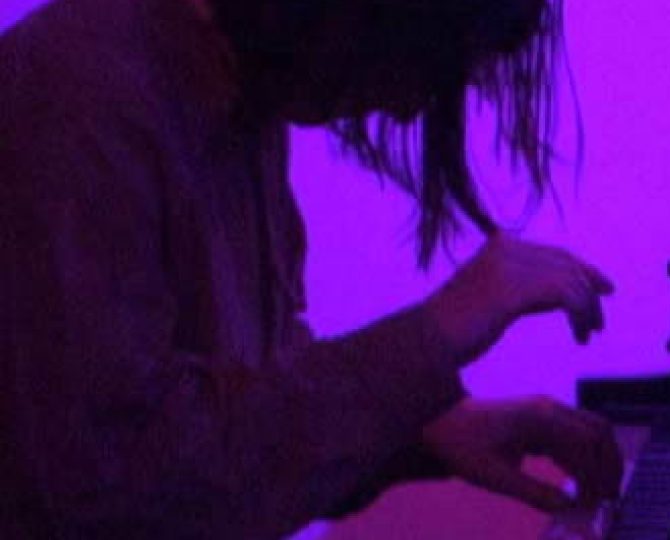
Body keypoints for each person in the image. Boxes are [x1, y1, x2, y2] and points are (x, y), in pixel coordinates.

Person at [0, 0, 621, 537]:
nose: (407, 107)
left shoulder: (237, 90)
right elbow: (116, 484)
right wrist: (433, 336)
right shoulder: (81, 91)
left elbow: (235, 405)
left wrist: (427, 431)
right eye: (418, 54)